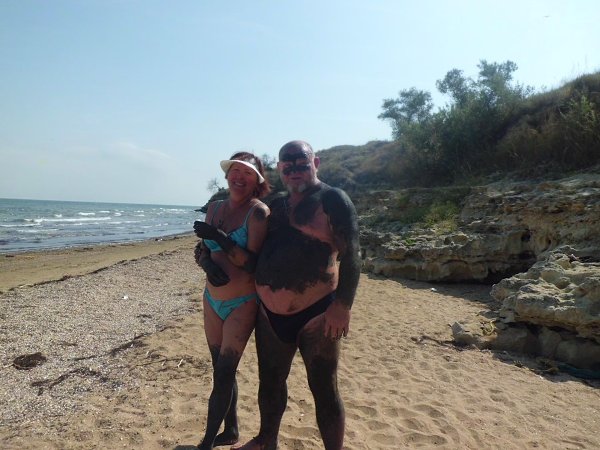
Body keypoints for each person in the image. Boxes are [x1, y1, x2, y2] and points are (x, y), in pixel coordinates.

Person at [235, 140, 361, 450]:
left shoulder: (332, 199)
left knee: (324, 387)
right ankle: (267, 440)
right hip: (269, 314)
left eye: (302, 164)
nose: (295, 170)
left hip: (317, 314)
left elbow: (353, 254)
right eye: (288, 166)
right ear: (280, 169)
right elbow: (252, 246)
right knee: (270, 381)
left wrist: (343, 305)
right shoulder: (276, 205)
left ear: (315, 163)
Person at [193, 152, 271, 450]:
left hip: (242, 303)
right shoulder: (214, 208)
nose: (239, 177)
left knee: (225, 372)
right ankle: (231, 430)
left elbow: (252, 264)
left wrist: (221, 237)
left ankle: (206, 443)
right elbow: (204, 249)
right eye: (235, 171)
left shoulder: (258, 213)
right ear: (227, 176)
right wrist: (207, 265)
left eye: (248, 173)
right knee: (220, 370)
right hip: (212, 301)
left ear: (257, 181)